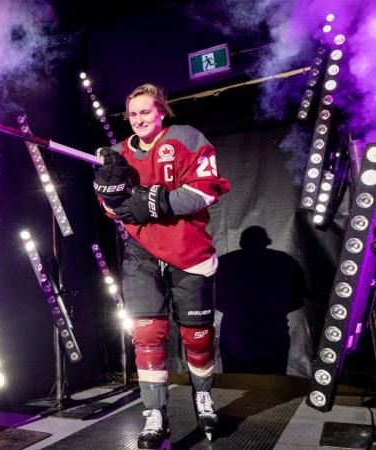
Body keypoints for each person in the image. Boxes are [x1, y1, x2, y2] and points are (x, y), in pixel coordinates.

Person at [93, 83, 230, 449]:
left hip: (188, 250)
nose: (139, 119)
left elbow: (206, 189)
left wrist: (159, 202)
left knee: (197, 337)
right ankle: (156, 414)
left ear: (161, 111)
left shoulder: (187, 138)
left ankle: (204, 398)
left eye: (146, 112)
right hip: (141, 253)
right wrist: (111, 195)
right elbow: (112, 207)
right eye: (133, 114)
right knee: (147, 336)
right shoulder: (119, 152)